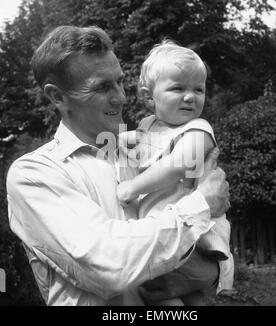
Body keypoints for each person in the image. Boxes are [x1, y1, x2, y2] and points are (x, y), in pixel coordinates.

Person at [6, 25, 232, 306]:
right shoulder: (35, 173)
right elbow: (110, 265)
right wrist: (203, 204)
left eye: (120, 81)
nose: (121, 97)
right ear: (58, 97)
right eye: (102, 87)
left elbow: (213, 256)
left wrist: (209, 274)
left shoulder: (147, 152)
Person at [116, 40, 233, 305]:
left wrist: (133, 187)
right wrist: (119, 139)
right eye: (178, 88)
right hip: (167, 226)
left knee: (178, 294)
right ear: (148, 96)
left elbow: (179, 163)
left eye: (198, 89)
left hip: (195, 231)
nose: (190, 96)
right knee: (166, 297)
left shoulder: (199, 129)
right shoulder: (150, 126)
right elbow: (138, 140)